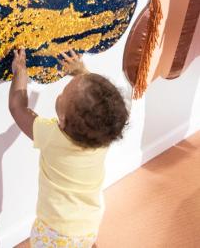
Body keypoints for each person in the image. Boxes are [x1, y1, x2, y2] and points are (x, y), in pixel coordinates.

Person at [9, 48, 129, 247]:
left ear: (62, 120)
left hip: (54, 233)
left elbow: (18, 108)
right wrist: (81, 70)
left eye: (63, 92)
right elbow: (99, 104)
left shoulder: (52, 136)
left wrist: (20, 71)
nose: (64, 88)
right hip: (88, 227)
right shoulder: (104, 135)